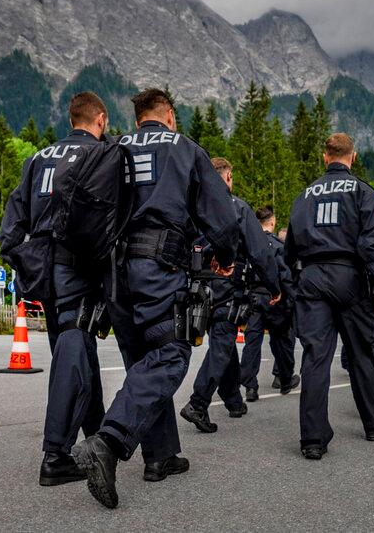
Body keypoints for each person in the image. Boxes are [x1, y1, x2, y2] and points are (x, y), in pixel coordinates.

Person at [70, 89, 240, 509]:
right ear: (168, 114)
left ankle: (161, 456)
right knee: (170, 354)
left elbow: (83, 210)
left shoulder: (112, 149)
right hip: (158, 266)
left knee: (141, 360)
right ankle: (108, 442)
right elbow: (220, 213)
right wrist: (225, 256)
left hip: (114, 273)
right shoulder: (183, 148)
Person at [0, 92, 114, 487]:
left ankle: (97, 437)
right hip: (75, 266)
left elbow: (11, 224)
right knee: (73, 348)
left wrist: (24, 259)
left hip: (43, 270)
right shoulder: (98, 155)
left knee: (77, 349)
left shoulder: (37, 158)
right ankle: (56, 455)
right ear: (99, 119)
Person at [284, 133, 374, 460]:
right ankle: (373, 422)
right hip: (351, 278)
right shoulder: (363, 192)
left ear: (325, 157)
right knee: (361, 351)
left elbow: (291, 248)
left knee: (315, 357)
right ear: (354, 156)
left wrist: (292, 282)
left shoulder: (304, 195)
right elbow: (373, 244)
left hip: (312, 277)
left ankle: (313, 440)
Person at [180, 159, 281, 432]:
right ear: (227, 178)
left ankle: (234, 400)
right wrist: (274, 286)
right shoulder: (235, 206)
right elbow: (260, 251)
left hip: (194, 286)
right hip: (227, 283)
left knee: (223, 344)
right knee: (223, 343)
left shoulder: (190, 207)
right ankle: (198, 403)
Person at [239, 205, 299, 401]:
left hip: (253, 296)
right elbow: (285, 276)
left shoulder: (249, 244)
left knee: (252, 342)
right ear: (272, 222)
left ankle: (250, 387)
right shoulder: (278, 246)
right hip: (275, 298)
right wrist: (290, 302)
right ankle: (284, 379)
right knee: (282, 340)